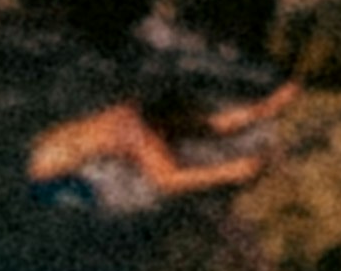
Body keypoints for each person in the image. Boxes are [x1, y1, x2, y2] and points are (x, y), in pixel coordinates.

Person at [28, 85, 284, 204]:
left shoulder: (129, 112)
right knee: (129, 200)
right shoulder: (139, 135)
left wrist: (268, 107)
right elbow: (168, 180)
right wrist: (230, 172)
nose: (189, 118)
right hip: (56, 186)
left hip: (45, 157)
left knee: (183, 135)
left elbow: (207, 124)